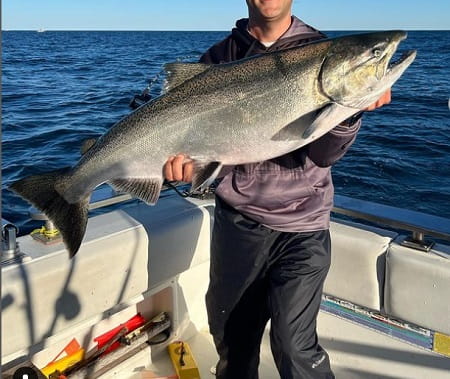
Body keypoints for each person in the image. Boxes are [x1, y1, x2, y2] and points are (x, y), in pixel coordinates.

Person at [164, 1, 391, 378]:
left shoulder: (323, 53)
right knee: (233, 344)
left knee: (292, 343)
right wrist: (182, 168)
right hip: (237, 225)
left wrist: (348, 112)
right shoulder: (218, 59)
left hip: (303, 225)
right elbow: (197, 157)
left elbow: (324, 153)